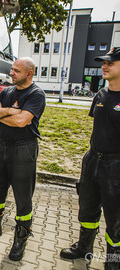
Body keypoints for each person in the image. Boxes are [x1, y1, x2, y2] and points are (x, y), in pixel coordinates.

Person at [0, 57, 46, 261]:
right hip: (2, 147)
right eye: (12, 69)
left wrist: (1, 114)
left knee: (23, 197)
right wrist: (9, 111)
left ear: (29, 73)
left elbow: (22, 121)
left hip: (24, 149)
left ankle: (20, 238)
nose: (11, 73)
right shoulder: (7, 91)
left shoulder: (36, 94)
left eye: (16, 70)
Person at [60, 47, 120, 269]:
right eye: (103, 62)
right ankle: (84, 247)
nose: (104, 66)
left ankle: (114, 261)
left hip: (116, 167)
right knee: (87, 208)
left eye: (110, 63)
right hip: (93, 161)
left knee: (115, 220)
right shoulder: (101, 95)